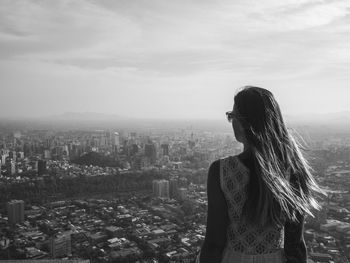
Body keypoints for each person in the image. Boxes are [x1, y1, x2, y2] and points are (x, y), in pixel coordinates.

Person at [198, 86, 326, 263]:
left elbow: (214, 244)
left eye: (232, 116)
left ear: (245, 123)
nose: (232, 121)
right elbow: (295, 245)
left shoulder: (221, 171)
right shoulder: (293, 171)